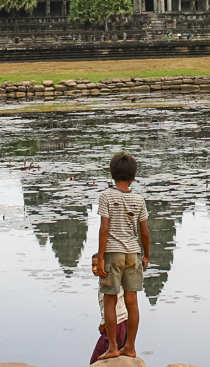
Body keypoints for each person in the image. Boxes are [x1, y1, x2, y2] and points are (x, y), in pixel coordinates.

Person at [95, 153, 150, 360]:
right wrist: (146, 255)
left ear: (111, 175)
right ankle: (131, 347)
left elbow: (104, 229)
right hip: (133, 254)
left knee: (110, 300)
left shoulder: (106, 196)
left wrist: (101, 258)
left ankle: (113, 348)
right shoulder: (139, 199)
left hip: (113, 253)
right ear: (134, 177)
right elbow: (144, 232)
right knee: (132, 302)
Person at [89, 253, 128, 364]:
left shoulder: (108, 284)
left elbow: (109, 306)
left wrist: (103, 323)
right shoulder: (116, 280)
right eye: (93, 266)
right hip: (123, 323)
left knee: (96, 359)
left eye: (97, 265)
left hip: (116, 324)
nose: (94, 269)